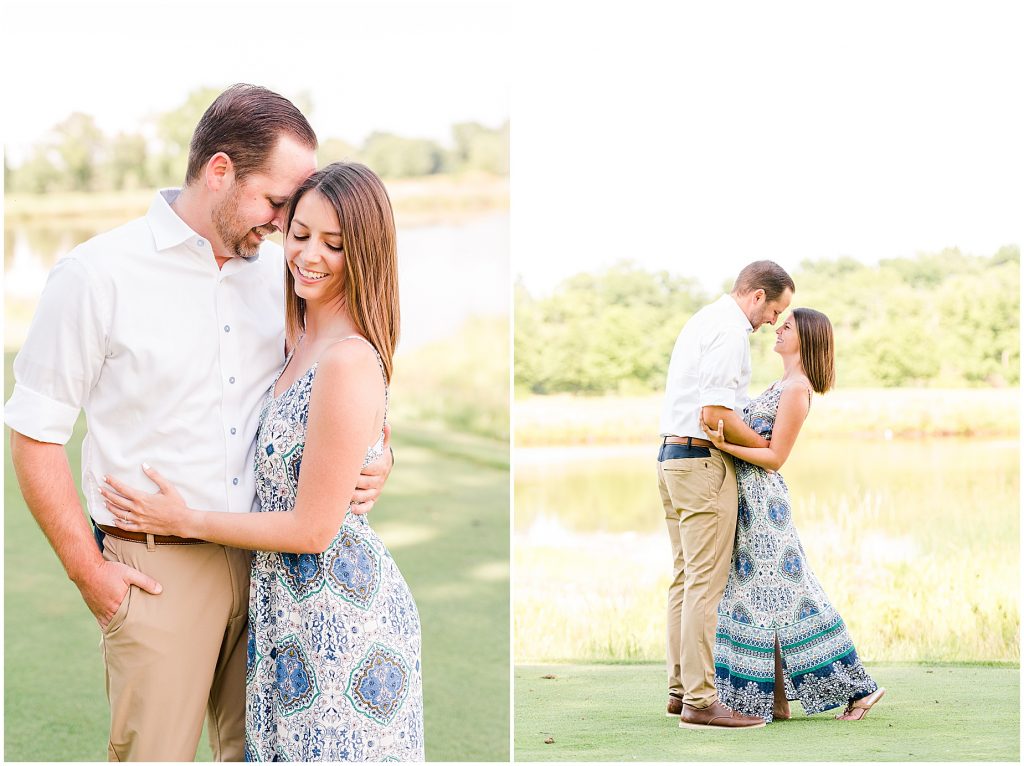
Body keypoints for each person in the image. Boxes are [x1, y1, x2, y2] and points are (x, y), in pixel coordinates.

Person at [5, 85, 393, 761]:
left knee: (261, 755)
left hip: (277, 573)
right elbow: (36, 436)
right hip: (158, 573)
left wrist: (379, 454)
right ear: (220, 171)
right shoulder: (96, 276)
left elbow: (333, 378)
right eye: (277, 202)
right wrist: (88, 574)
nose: (284, 225)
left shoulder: (278, 275)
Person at [100, 162, 423, 761]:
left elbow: (312, 528)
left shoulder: (347, 358)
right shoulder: (297, 333)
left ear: (367, 252)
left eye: (335, 244)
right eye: (299, 234)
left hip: (339, 620)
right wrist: (383, 454)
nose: (308, 255)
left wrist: (183, 519)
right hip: (282, 610)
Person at [704, 308, 885, 722]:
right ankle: (776, 700)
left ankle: (860, 689)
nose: (778, 328)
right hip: (749, 500)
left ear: (805, 339)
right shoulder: (782, 383)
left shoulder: (797, 388)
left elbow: (775, 456)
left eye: (787, 326)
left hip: (766, 507)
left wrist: (724, 445)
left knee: (792, 594)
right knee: (762, 598)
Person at [657, 260, 795, 730]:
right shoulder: (732, 331)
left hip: (672, 459)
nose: (773, 321)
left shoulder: (703, 318)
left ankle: (680, 692)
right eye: (775, 310)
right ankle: (700, 702)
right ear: (757, 296)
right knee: (704, 585)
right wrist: (766, 447)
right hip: (701, 464)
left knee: (684, 580)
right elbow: (715, 411)